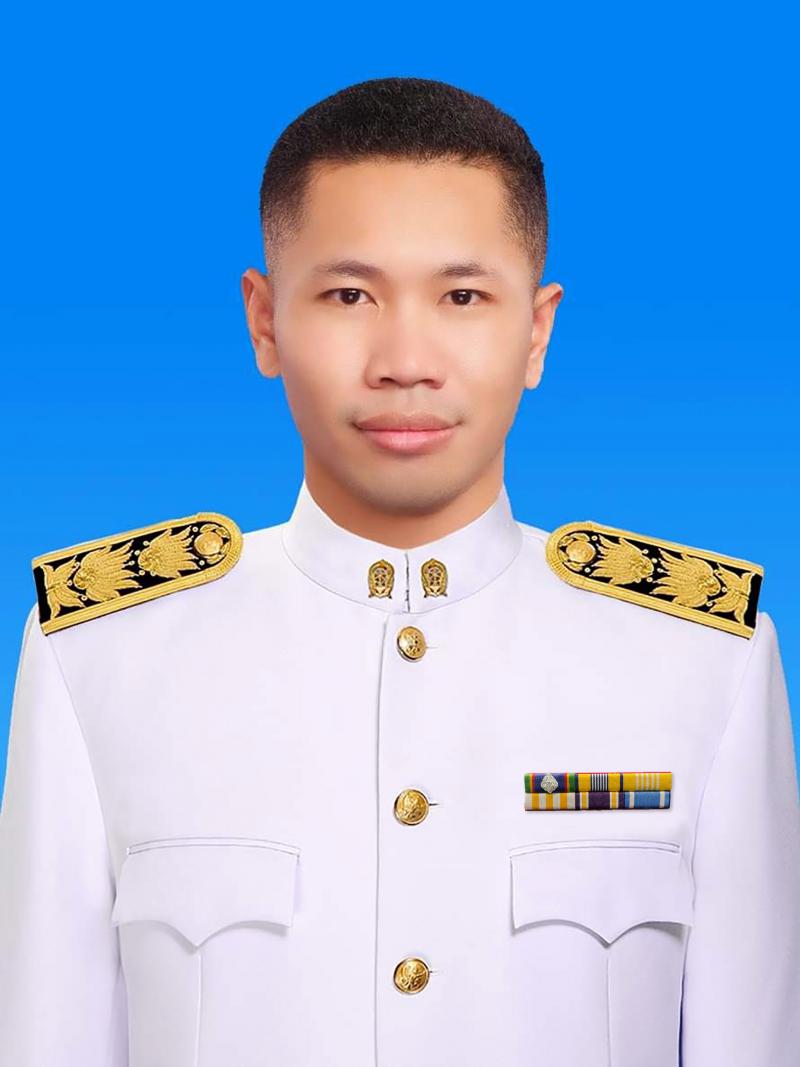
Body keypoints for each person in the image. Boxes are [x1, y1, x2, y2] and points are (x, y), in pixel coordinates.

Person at [1, 75, 798, 1067]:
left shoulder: (700, 662)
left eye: (462, 296)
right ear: (264, 320)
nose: (405, 360)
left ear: (537, 329)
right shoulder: (100, 657)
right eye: (349, 295)